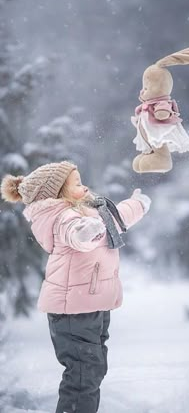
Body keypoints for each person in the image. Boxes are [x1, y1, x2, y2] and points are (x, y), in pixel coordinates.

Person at [0, 160, 151, 413]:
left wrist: (137, 204)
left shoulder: (90, 211)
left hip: (91, 304)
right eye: (78, 183)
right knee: (83, 375)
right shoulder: (62, 217)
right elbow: (75, 234)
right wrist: (85, 232)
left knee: (92, 371)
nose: (85, 186)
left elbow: (116, 217)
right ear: (58, 193)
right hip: (73, 309)